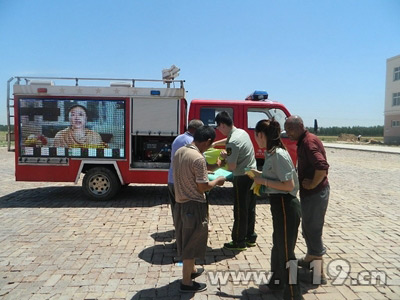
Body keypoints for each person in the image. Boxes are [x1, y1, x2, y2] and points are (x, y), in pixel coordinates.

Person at [249, 119, 302, 300]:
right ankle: (277, 282)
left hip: (286, 205)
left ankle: (294, 293)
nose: (256, 139)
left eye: (256, 135)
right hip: (278, 206)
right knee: (278, 247)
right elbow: (274, 179)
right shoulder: (271, 153)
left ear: (261, 135)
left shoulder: (278, 154)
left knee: (287, 252)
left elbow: (288, 185)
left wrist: (263, 181)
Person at [173, 126, 226, 293]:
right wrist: (217, 181)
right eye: (210, 145)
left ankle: (192, 270)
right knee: (191, 244)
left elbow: (200, 169)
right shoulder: (198, 158)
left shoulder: (181, 152)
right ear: (208, 141)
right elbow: (203, 186)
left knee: (186, 240)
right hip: (194, 206)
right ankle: (186, 282)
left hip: (180, 204)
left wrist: (219, 164)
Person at [284, 115, 330, 284]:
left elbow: (322, 167)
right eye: (286, 128)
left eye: (290, 128)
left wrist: (311, 184)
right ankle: (310, 257)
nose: (287, 132)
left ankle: (318, 275)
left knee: (312, 229)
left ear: (300, 126)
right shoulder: (304, 140)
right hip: (312, 194)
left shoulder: (308, 142)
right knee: (308, 227)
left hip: (316, 193)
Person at [214, 111, 257, 251]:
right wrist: (214, 144)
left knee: (240, 210)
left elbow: (232, 167)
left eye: (218, 127)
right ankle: (250, 237)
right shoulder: (242, 133)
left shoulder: (232, 142)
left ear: (222, 125)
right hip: (252, 174)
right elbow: (228, 141)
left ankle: (239, 241)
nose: (218, 130)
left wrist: (224, 157)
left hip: (242, 177)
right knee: (250, 207)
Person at [168, 119, 204, 223]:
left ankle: (178, 231)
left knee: (176, 209)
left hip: (172, 179)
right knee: (187, 212)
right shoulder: (191, 142)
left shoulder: (179, 138)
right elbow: (198, 161)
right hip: (182, 182)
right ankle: (186, 234)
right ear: (197, 130)